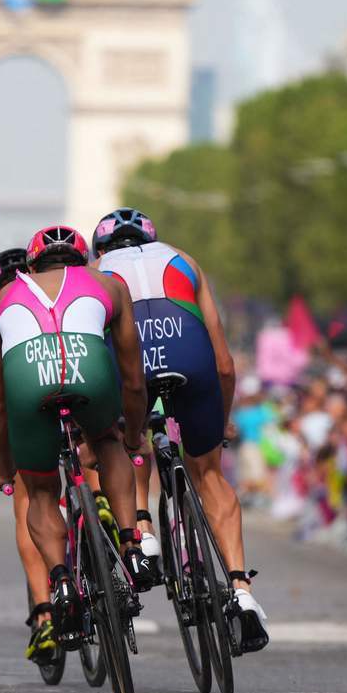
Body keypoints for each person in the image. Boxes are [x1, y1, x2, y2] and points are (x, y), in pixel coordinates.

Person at [91, 207, 270, 652]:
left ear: (101, 248)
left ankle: (145, 534)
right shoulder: (184, 260)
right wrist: (222, 418)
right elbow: (225, 363)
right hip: (190, 353)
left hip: (134, 360)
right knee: (209, 474)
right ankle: (242, 592)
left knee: (127, 440)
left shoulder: (96, 273)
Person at [0, 226, 149, 641]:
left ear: (31, 266)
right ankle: (133, 545)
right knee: (108, 443)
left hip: (27, 379)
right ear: (86, 260)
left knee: (38, 492)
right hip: (87, 370)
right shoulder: (108, 283)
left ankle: (62, 583)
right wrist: (134, 436)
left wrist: (5, 466)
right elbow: (133, 379)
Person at [0, 247, 63, 665]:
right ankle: (104, 508)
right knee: (98, 445)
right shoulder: (55, 287)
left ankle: (44, 615)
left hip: (23, 399)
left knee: (28, 499)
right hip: (72, 378)